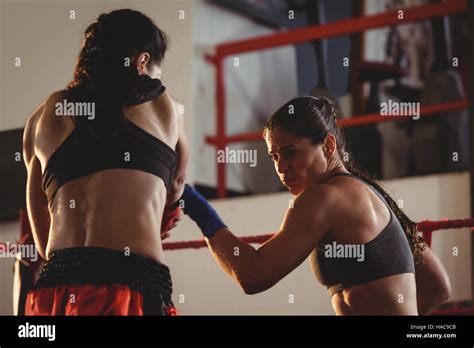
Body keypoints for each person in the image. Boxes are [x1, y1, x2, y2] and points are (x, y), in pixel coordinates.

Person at [181, 96, 451, 315]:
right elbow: (439, 285)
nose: (280, 167)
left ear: (328, 146)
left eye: (290, 152)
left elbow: (253, 275)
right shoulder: (369, 194)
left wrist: (195, 204)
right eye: (274, 156)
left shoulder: (324, 197)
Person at [22, 9, 188, 315]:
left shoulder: (40, 120)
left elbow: (45, 243)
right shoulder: (169, 109)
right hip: (131, 285)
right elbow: (176, 190)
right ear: (142, 62)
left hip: (54, 290)